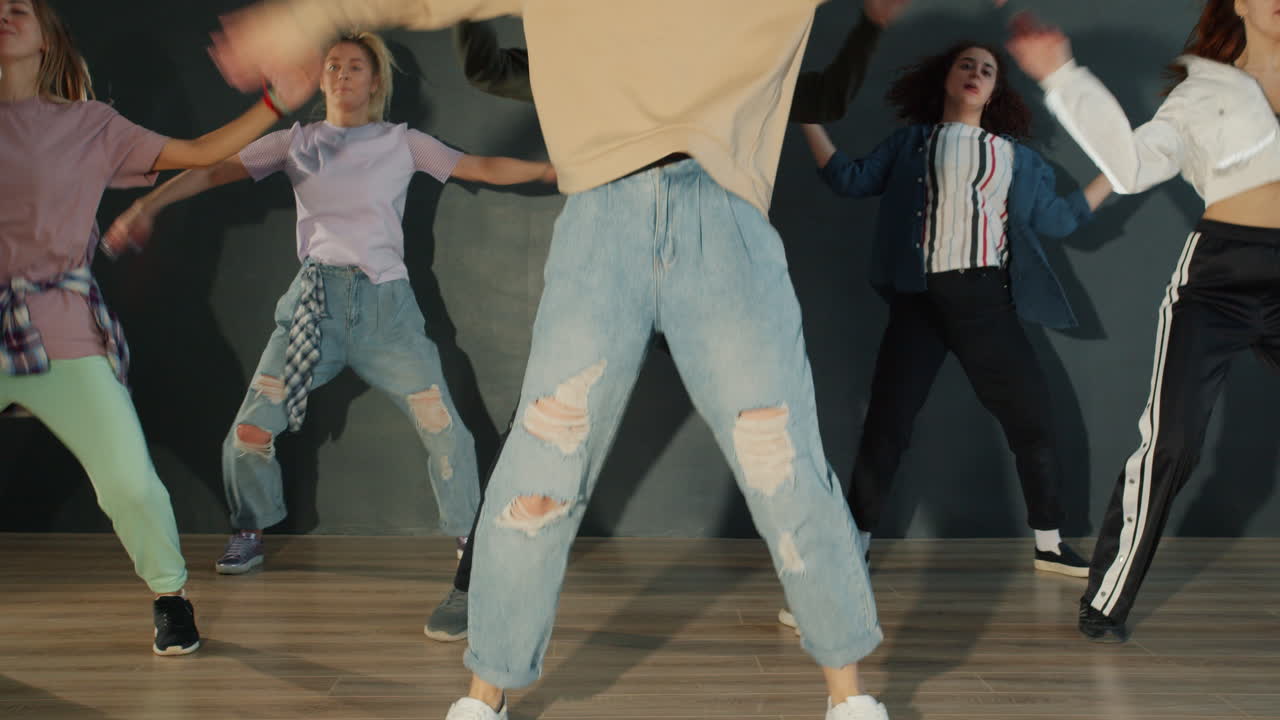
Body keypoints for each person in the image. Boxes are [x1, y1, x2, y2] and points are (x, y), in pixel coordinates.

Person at [201, 1, 913, 719]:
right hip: (602, 220)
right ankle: (487, 693)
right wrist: (312, 17)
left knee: (782, 458)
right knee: (541, 463)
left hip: (724, 220)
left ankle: (850, 699)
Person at [425, 0, 910, 645]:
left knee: (778, 443)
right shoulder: (590, 57)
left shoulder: (732, 58)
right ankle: (474, 592)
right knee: (543, 442)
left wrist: (870, 26)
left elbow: (823, 93)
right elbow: (488, 69)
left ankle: (826, 609)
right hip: (613, 255)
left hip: (713, 261)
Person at [105, 31, 555, 577]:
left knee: (447, 430)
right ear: (321, 81)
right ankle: (249, 529)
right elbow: (209, 170)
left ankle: (468, 536)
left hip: (388, 314)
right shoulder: (296, 142)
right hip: (311, 311)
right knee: (250, 430)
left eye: (355, 67)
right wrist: (148, 206)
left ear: (375, 82)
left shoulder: (403, 142)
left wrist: (554, 172)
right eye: (333, 67)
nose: (342, 75)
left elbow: (480, 167)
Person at [0, 0, 315, 655]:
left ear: (47, 36)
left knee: (129, 481)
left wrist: (275, 101)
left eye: (19, 8)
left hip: (58, 329)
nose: (4, 14)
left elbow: (199, 152)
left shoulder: (90, 126)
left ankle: (170, 598)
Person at [795, 44, 1111, 629]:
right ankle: (851, 553)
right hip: (919, 301)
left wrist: (1118, 172)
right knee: (885, 428)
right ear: (944, 77)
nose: (975, 74)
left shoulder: (1013, 157)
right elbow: (848, 179)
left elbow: (1061, 220)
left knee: (1034, 420)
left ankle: (1048, 543)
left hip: (984, 300)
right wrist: (805, 116)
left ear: (996, 93)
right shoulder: (910, 143)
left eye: (987, 71)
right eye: (967, 65)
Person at [1007, 0, 1280, 642]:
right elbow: (1129, 168)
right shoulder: (1202, 94)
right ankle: (1106, 599)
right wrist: (1062, 78)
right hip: (1219, 279)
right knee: (1171, 443)